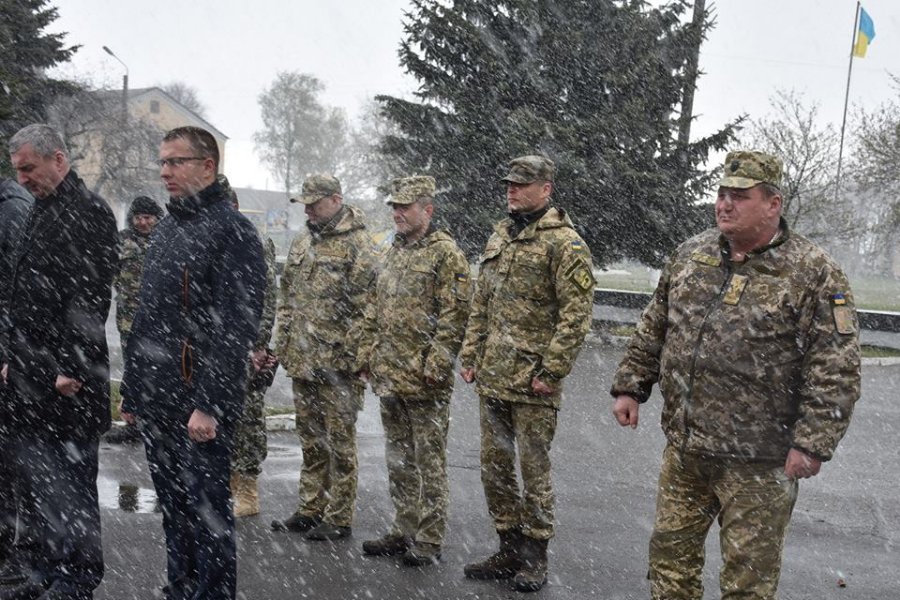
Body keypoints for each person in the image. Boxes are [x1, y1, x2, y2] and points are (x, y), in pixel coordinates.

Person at [610, 150, 861, 600]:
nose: (725, 204)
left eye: (740, 196)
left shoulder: (813, 272)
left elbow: (835, 366)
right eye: (722, 194)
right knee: (669, 568)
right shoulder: (692, 254)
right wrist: (631, 385)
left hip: (759, 462)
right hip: (687, 451)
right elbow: (656, 324)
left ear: (773, 204)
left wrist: (812, 442)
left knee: (748, 583)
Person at [120, 126, 266, 599]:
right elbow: (146, 318)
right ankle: (180, 588)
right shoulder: (167, 228)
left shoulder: (233, 232)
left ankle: (211, 594)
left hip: (197, 402)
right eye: (162, 162)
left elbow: (235, 329)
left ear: (207, 166)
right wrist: (134, 390)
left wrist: (209, 404)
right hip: (159, 398)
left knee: (207, 513)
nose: (165, 171)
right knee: (174, 509)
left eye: (175, 161)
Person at [459, 155, 595, 592]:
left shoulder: (566, 244)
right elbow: (482, 302)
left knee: (534, 472)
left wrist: (552, 372)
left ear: (546, 189)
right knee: (494, 468)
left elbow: (575, 317)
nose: (512, 190)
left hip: (534, 383)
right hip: (494, 376)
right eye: (509, 184)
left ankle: (535, 555)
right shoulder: (501, 235)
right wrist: (470, 354)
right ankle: (508, 547)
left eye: (521, 184)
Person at [0, 123, 119, 599]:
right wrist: (12, 358)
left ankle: (76, 578)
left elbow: (89, 299)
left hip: (67, 381)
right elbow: (22, 294)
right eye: (17, 171)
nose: (22, 179)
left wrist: (69, 367)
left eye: (29, 168)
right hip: (29, 376)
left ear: (59, 160)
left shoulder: (89, 211)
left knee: (71, 487)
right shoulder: (41, 209)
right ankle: (44, 571)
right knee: (40, 487)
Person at [354, 176, 470, 566]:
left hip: (424, 379)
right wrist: (367, 355)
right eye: (395, 207)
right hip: (390, 374)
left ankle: (429, 537)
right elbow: (374, 308)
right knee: (399, 459)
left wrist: (436, 364)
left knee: (428, 461)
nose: (397, 214)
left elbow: (455, 316)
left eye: (405, 207)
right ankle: (403, 528)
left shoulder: (445, 254)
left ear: (428, 210)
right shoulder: (392, 251)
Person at [271, 174, 375, 541]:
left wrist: (356, 357)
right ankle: (310, 508)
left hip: (338, 366)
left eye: (314, 203)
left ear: (336, 200)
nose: (309, 210)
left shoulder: (359, 244)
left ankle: (339, 516)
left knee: (340, 445)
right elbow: (288, 298)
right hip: (303, 360)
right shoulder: (303, 240)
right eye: (305, 204)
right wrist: (283, 344)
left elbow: (368, 308)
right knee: (312, 440)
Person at [216, 175, 279, 519]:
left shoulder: (252, 240)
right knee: (220, 414)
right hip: (217, 344)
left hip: (247, 344)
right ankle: (227, 482)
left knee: (248, 417)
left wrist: (259, 344)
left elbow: (267, 297)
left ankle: (248, 488)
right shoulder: (207, 239)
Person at [114, 195, 164, 351]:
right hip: (128, 318)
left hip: (158, 318)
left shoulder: (165, 240)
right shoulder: (122, 240)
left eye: (147, 218)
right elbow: (113, 272)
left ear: (156, 218)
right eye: (138, 218)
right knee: (130, 358)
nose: (142, 222)